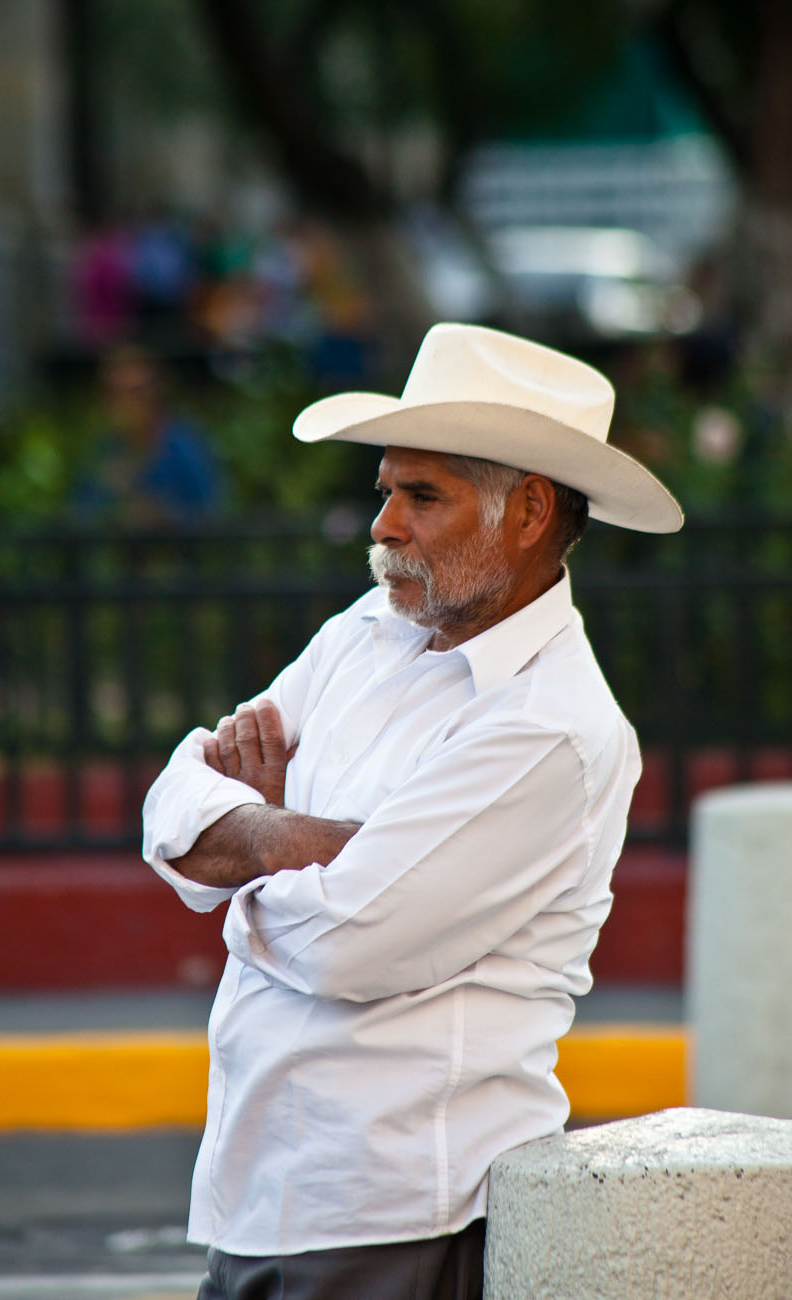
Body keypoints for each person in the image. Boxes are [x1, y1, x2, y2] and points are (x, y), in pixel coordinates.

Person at [142, 322, 683, 1300]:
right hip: (257, 1191)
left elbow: (349, 943)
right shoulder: (368, 631)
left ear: (526, 511)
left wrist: (245, 869)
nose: (385, 523)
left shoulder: (550, 728)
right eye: (385, 488)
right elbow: (173, 805)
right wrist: (306, 842)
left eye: (421, 495)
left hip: (394, 1217)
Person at [74, 346, 225, 526]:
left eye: (135, 392)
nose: (127, 404)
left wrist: (163, 516)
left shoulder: (185, 446)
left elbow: (213, 511)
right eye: (116, 394)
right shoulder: (105, 450)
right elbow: (81, 514)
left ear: (155, 390)